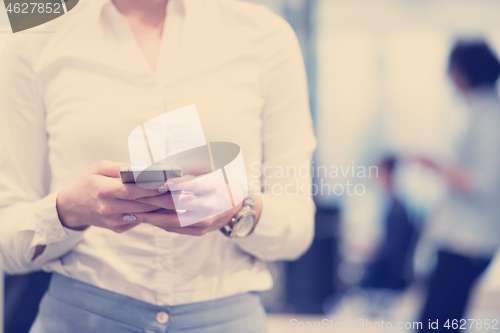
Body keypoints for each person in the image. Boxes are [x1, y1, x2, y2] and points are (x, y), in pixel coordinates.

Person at [0, 0, 316, 332]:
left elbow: (298, 228)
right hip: (81, 318)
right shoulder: (33, 29)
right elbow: (7, 238)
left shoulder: (266, 35)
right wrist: (68, 211)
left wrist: (237, 210)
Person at [414, 40, 500, 332]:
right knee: (442, 322)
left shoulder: (490, 118)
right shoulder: (480, 113)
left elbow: (483, 182)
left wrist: (437, 165)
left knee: (435, 325)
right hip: (462, 239)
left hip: (468, 242)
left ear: (464, 71)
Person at [360, 155, 418, 315]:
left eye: (377, 172)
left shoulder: (396, 210)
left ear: (387, 174)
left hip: (388, 277)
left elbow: (391, 251)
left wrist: (368, 259)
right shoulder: (396, 206)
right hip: (391, 273)